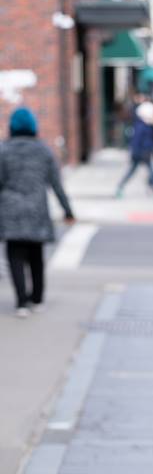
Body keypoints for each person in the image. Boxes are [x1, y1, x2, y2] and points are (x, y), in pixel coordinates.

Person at [0, 107, 75, 317]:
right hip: (37, 209)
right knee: (36, 256)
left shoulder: (3, 150)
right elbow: (57, 185)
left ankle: (21, 302)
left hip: (10, 209)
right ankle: (37, 298)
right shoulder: (43, 151)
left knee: (14, 255)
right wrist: (68, 211)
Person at [115, 101, 153, 198]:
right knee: (147, 171)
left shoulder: (147, 125)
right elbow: (136, 141)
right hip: (141, 152)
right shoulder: (141, 126)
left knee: (148, 171)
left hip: (146, 152)